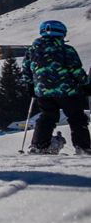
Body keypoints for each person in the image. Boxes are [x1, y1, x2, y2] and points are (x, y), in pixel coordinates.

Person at [20, 20, 90, 155]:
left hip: (43, 92)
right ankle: (83, 147)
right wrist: (85, 84)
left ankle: (39, 145)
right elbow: (75, 70)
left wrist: (30, 86)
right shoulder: (66, 49)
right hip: (67, 91)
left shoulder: (31, 51)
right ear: (62, 34)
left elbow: (26, 70)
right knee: (76, 117)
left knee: (47, 117)